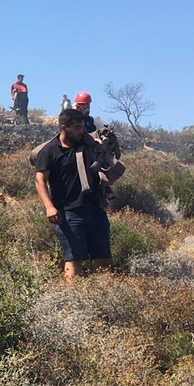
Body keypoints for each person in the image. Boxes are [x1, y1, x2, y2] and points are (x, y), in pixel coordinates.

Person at [33, 108, 112, 279]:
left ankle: (106, 297)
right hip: (68, 214)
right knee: (74, 260)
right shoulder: (50, 151)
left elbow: (106, 149)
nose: (81, 131)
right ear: (63, 127)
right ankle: (72, 301)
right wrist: (49, 207)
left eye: (82, 127)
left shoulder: (87, 144)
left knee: (103, 259)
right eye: (77, 127)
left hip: (95, 209)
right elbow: (40, 180)